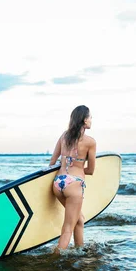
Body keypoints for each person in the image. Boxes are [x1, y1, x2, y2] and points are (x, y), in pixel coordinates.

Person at [49, 105, 96, 251]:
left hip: (58, 183)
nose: (91, 120)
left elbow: (52, 162)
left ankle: (79, 252)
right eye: (90, 117)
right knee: (68, 227)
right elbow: (91, 170)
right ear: (84, 120)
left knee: (79, 220)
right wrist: (79, 169)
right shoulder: (90, 142)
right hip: (74, 184)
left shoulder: (64, 136)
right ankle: (56, 258)